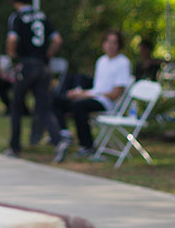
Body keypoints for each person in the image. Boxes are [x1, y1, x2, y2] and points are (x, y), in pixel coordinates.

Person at [4, 0, 69, 162]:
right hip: (42, 66)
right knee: (43, 107)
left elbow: (12, 40)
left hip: (26, 65)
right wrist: (46, 55)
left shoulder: (17, 17)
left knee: (16, 105)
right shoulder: (42, 15)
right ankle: (58, 141)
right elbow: (57, 40)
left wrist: (14, 56)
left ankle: (14, 146)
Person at [54, 30, 134, 158]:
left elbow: (115, 94)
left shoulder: (123, 63)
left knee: (79, 106)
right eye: (107, 41)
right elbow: (97, 89)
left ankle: (87, 146)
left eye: (114, 42)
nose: (110, 45)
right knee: (58, 100)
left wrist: (87, 95)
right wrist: (79, 92)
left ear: (119, 45)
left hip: (108, 103)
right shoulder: (101, 61)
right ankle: (64, 134)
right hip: (94, 97)